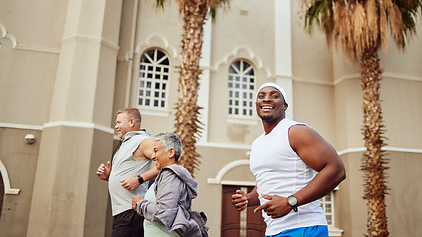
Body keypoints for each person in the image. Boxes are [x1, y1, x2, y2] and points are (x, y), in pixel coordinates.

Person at [231, 83, 346, 237]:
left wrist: (291, 201)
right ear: (256, 104)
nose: (266, 99)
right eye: (261, 96)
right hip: (273, 230)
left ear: (284, 106)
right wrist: (248, 199)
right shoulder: (257, 143)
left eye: (274, 96)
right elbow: (267, 183)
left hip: (304, 227)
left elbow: (336, 170)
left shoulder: (295, 131)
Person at [96, 107, 160, 237]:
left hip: (131, 212)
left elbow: (164, 164)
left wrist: (139, 179)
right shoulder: (127, 143)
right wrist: (109, 176)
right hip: (122, 212)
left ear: (131, 122)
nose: (116, 126)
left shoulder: (143, 140)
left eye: (119, 122)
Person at [132, 132, 208, 237]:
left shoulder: (170, 174)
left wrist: (140, 205)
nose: (153, 156)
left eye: (156, 151)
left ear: (171, 153)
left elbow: (165, 212)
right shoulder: (168, 175)